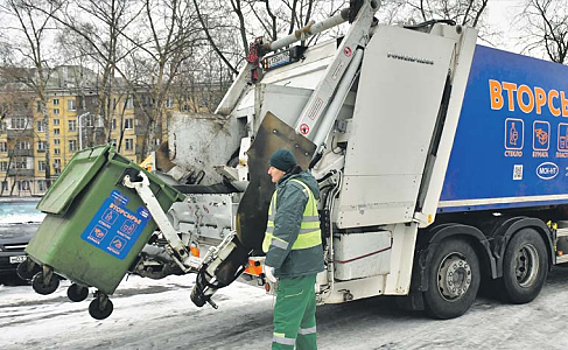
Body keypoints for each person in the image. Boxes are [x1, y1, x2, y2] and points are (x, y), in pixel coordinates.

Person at [262, 149, 324, 350]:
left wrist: (272, 262)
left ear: (282, 169)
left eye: (273, 167)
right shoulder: (299, 186)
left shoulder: (293, 190)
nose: (269, 171)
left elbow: (285, 230)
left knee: (284, 325)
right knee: (305, 323)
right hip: (305, 265)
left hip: (295, 266)